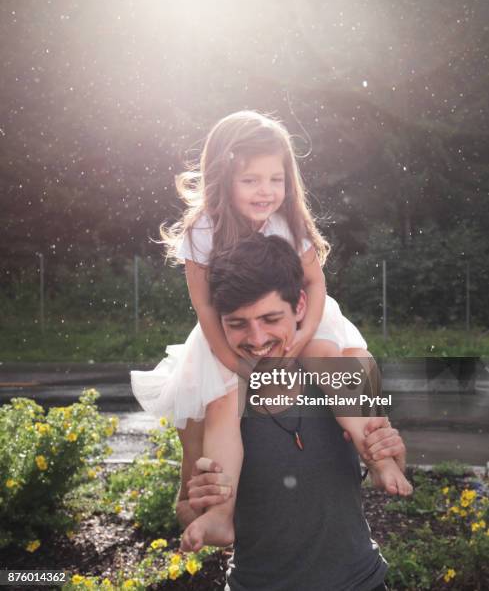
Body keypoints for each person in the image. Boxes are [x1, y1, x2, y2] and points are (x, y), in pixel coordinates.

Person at [131, 110, 411, 553]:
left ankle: (379, 459)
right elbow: (206, 307)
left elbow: (316, 284)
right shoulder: (205, 228)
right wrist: (238, 365)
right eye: (250, 181)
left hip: (310, 317)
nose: (266, 192)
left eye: (275, 180)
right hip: (221, 336)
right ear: (223, 178)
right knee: (222, 400)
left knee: (343, 365)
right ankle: (222, 514)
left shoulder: (288, 219)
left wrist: (302, 336)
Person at [177, 234, 406, 590]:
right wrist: (201, 506)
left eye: (270, 318)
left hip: (360, 582)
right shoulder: (210, 402)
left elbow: (391, 463)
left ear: (300, 306)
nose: (256, 338)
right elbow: (185, 508)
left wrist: (388, 455)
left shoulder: (341, 368)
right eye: (237, 323)